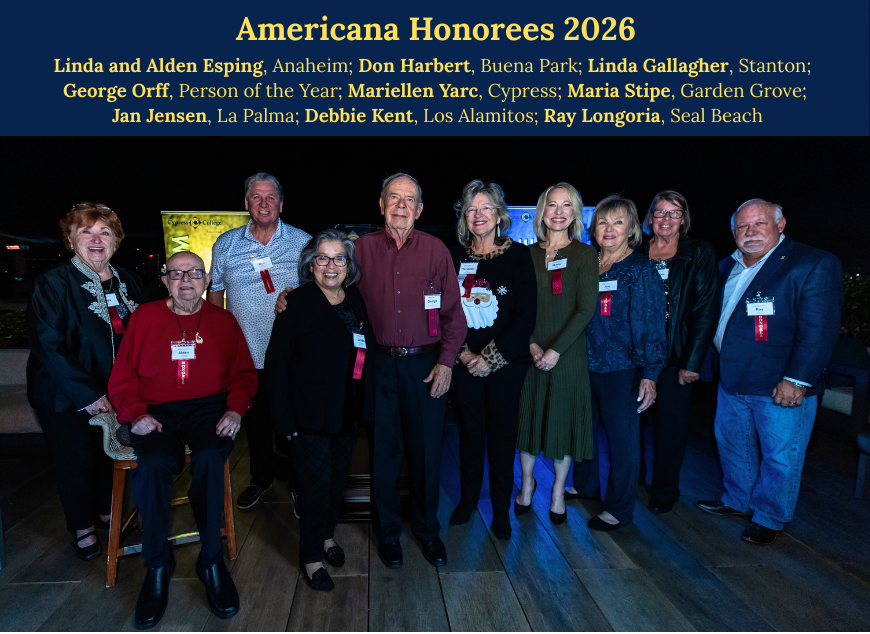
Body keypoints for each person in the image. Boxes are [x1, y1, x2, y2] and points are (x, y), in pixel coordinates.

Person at [108, 251, 257, 628]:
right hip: (156, 408)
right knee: (154, 464)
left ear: (207, 280)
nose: (186, 279)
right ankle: (158, 563)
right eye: (177, 273)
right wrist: (136, 413)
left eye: (194, 273)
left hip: (209, 408)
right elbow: (121, 379)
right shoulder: (144, 317)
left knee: (210, 456)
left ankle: (210, 560)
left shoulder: (224, 321)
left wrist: (235, 409)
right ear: (165, 280)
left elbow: (243, 374)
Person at [696, 199, 842, 545]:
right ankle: (738, 500)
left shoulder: (812, 263)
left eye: (759, 224)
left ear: (780, 224)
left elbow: (819, 329)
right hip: (732, 378)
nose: (750, 232)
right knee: (733, 445)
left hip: (781, 384)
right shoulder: (723, 267)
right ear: (733, 232)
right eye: (742, 227)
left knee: (780, 455)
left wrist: (797, 380)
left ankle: (770, 516)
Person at [355, 173, 467, 568]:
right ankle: (387, 535)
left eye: (409, 200)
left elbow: (454, 314)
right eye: (393, 197)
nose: (401, 205)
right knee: (383, 456)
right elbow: (329, 287)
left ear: (420, 209)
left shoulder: (436, 250)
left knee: (425, 455)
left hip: (426, 364)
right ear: (381, 204)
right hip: (379, 365)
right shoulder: (360, 250)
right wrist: (290, 297)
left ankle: (427, 531)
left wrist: (446, 363)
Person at [26, 202, 146, 561]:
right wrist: (90, 394)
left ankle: (106, 511)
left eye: (104, 232)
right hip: (65, 393)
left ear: (116, 240)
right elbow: (48, 345)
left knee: (108, 456)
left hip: (118, 391)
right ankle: (82, 526)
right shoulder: (53, 284)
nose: (97, 239)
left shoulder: (131, 280)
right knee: (76, 457)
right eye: (86, 233)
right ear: (70, 239)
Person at [265, 230, 375, 591]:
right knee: (313, 489)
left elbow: (365, 351)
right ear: (310, 265)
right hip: (307, 417)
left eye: (339, 258)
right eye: (322, 258)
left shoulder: (355, 299)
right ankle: (310, 556)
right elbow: (277, 364)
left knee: (335, 484)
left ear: (349, 265)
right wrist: (284, 421)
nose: (331, 266)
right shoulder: (295, 303)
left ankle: (327, 537)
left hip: (346, 412)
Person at [207, 172, 311, 512]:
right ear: (246, 203)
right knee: (256, 421)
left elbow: (323, 288)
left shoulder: (302, 242)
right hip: (245, 352)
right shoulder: (225, 243)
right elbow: (216, 294)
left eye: (270, 198)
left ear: (281, 204)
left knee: (295, 422)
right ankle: (260, 479)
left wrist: (298, 295)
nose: (263, 203)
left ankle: (300, 484)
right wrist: (213, 343)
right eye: (256, 197)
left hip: (291, 353)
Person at [569, 195, 667, 531]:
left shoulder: (640, 269)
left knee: (622, 440)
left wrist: (650, 374)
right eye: (602, 222)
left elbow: (654, 323)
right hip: (584, 364)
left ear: (631, 229)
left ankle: (619, 508)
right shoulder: (586, 264)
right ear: (593, 229)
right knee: (584, 432)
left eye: (618, 221)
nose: (609, 229)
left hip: (623, 369)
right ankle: (586, 486)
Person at [448, 180, 537, 540]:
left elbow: (525, 316)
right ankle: (468, 500)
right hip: (465, 363)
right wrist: (467, 354)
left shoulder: (519, 256)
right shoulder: (456, 257)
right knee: (469, 434)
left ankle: (501, 511)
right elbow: (447, 311)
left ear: (500, 214)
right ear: (463, 216)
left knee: (501, 436)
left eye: (486, 208)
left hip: (506, 365)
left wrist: (490, 358)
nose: (478, 215)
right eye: (471, 208)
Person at [515, 183, 598, 524]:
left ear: (575, 213)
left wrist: (554, 350)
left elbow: (585, 309)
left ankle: (558, 491)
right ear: (542, 211)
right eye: (553, 205)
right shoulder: (527, 255)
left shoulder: (584, 254)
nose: (559, 211)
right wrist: (533, 345)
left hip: (568, 353)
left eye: (567, 205)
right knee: (529, 418)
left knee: (561, 421)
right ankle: (527, 484)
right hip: (531, 350)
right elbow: (519, 307)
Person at [636, 191, 719, 514]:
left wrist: (692, 361)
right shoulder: (636, 249)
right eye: (660, 212)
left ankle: (665, 491)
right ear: (650, 217)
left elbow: (705, 310)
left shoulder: (698, 252)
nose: (666, 219)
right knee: (633, 423)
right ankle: (634, 479)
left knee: (670, 427)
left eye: (674, 213)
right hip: (637, 354)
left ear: (683, 219)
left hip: (676, 357)